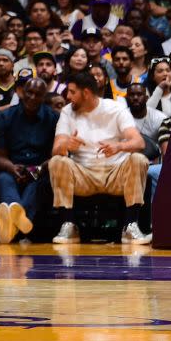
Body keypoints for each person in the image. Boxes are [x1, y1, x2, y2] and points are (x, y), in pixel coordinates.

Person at [48, 72, 150, 245]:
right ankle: (69, 225)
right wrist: (67, 145)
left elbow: (139, 142)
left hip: (115, 173)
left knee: (138, 159)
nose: (68, 96)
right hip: (83, 175)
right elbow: (55, 149)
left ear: (86, 93)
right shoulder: (67, 112)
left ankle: (131, 226)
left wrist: (119, 146)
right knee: (58, 161)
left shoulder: (115, 108)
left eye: (72, 92)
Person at [0, 78, 58, 243]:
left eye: (38, 94)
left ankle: (11, 224)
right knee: (4, 179)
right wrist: (11, 168)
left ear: (44, 97)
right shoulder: (5, 117)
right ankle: (20, 221)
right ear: (22, 92)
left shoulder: (53, 118)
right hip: (11, 167)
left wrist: (37, 169)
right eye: (29, 92)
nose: (33, 97)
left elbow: (55, 156)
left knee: (36, 183)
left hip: (39, 169)